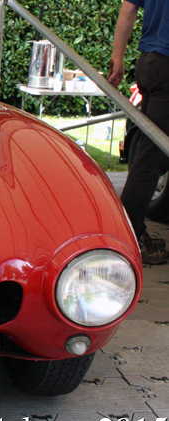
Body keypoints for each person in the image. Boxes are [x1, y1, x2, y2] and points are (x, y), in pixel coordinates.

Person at [107, 0, 169, 265]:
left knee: (151, 153)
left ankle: (126, 232)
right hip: (166, 64)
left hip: (150, 62)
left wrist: (118, 58)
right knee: (151, 157)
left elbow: (129, 8)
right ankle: (127, 237)